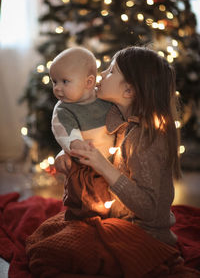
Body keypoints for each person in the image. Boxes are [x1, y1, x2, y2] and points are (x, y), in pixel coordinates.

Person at [27, 46, 200, 278]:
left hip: (143, 235)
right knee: (47, 233)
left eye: (110, 71)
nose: (101, 74)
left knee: (50, 253)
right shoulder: (116, 114)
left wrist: (102, 165)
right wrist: (65, 153)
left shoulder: (146, 140)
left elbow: (148, 209)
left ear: (128, 90)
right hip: (116, 217)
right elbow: (86, 137)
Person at [50, 47, 115, 219]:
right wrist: (75, 144)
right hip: (84, 167)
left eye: (65, 81)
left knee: (113, 200)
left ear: (88, 82)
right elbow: (64, 132)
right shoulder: (63, 109)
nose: (57, 88)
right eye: (54, 81)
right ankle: (81, 221)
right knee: (84, 201)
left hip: (112, 163)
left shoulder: (104, 98)